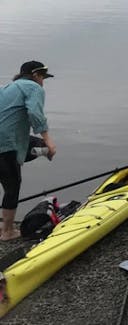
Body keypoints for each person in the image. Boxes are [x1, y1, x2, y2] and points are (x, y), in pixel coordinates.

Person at [0, 61, 57, 241]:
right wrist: (49, 141)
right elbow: (35, 114)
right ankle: (7, 232)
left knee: (36, 147)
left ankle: (41, 152)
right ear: (36, 75)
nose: (43, 82)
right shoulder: (34, 88)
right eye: (42, 77)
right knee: (12, 185)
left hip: (11, 141)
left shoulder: (8, 88)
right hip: (6, 143)